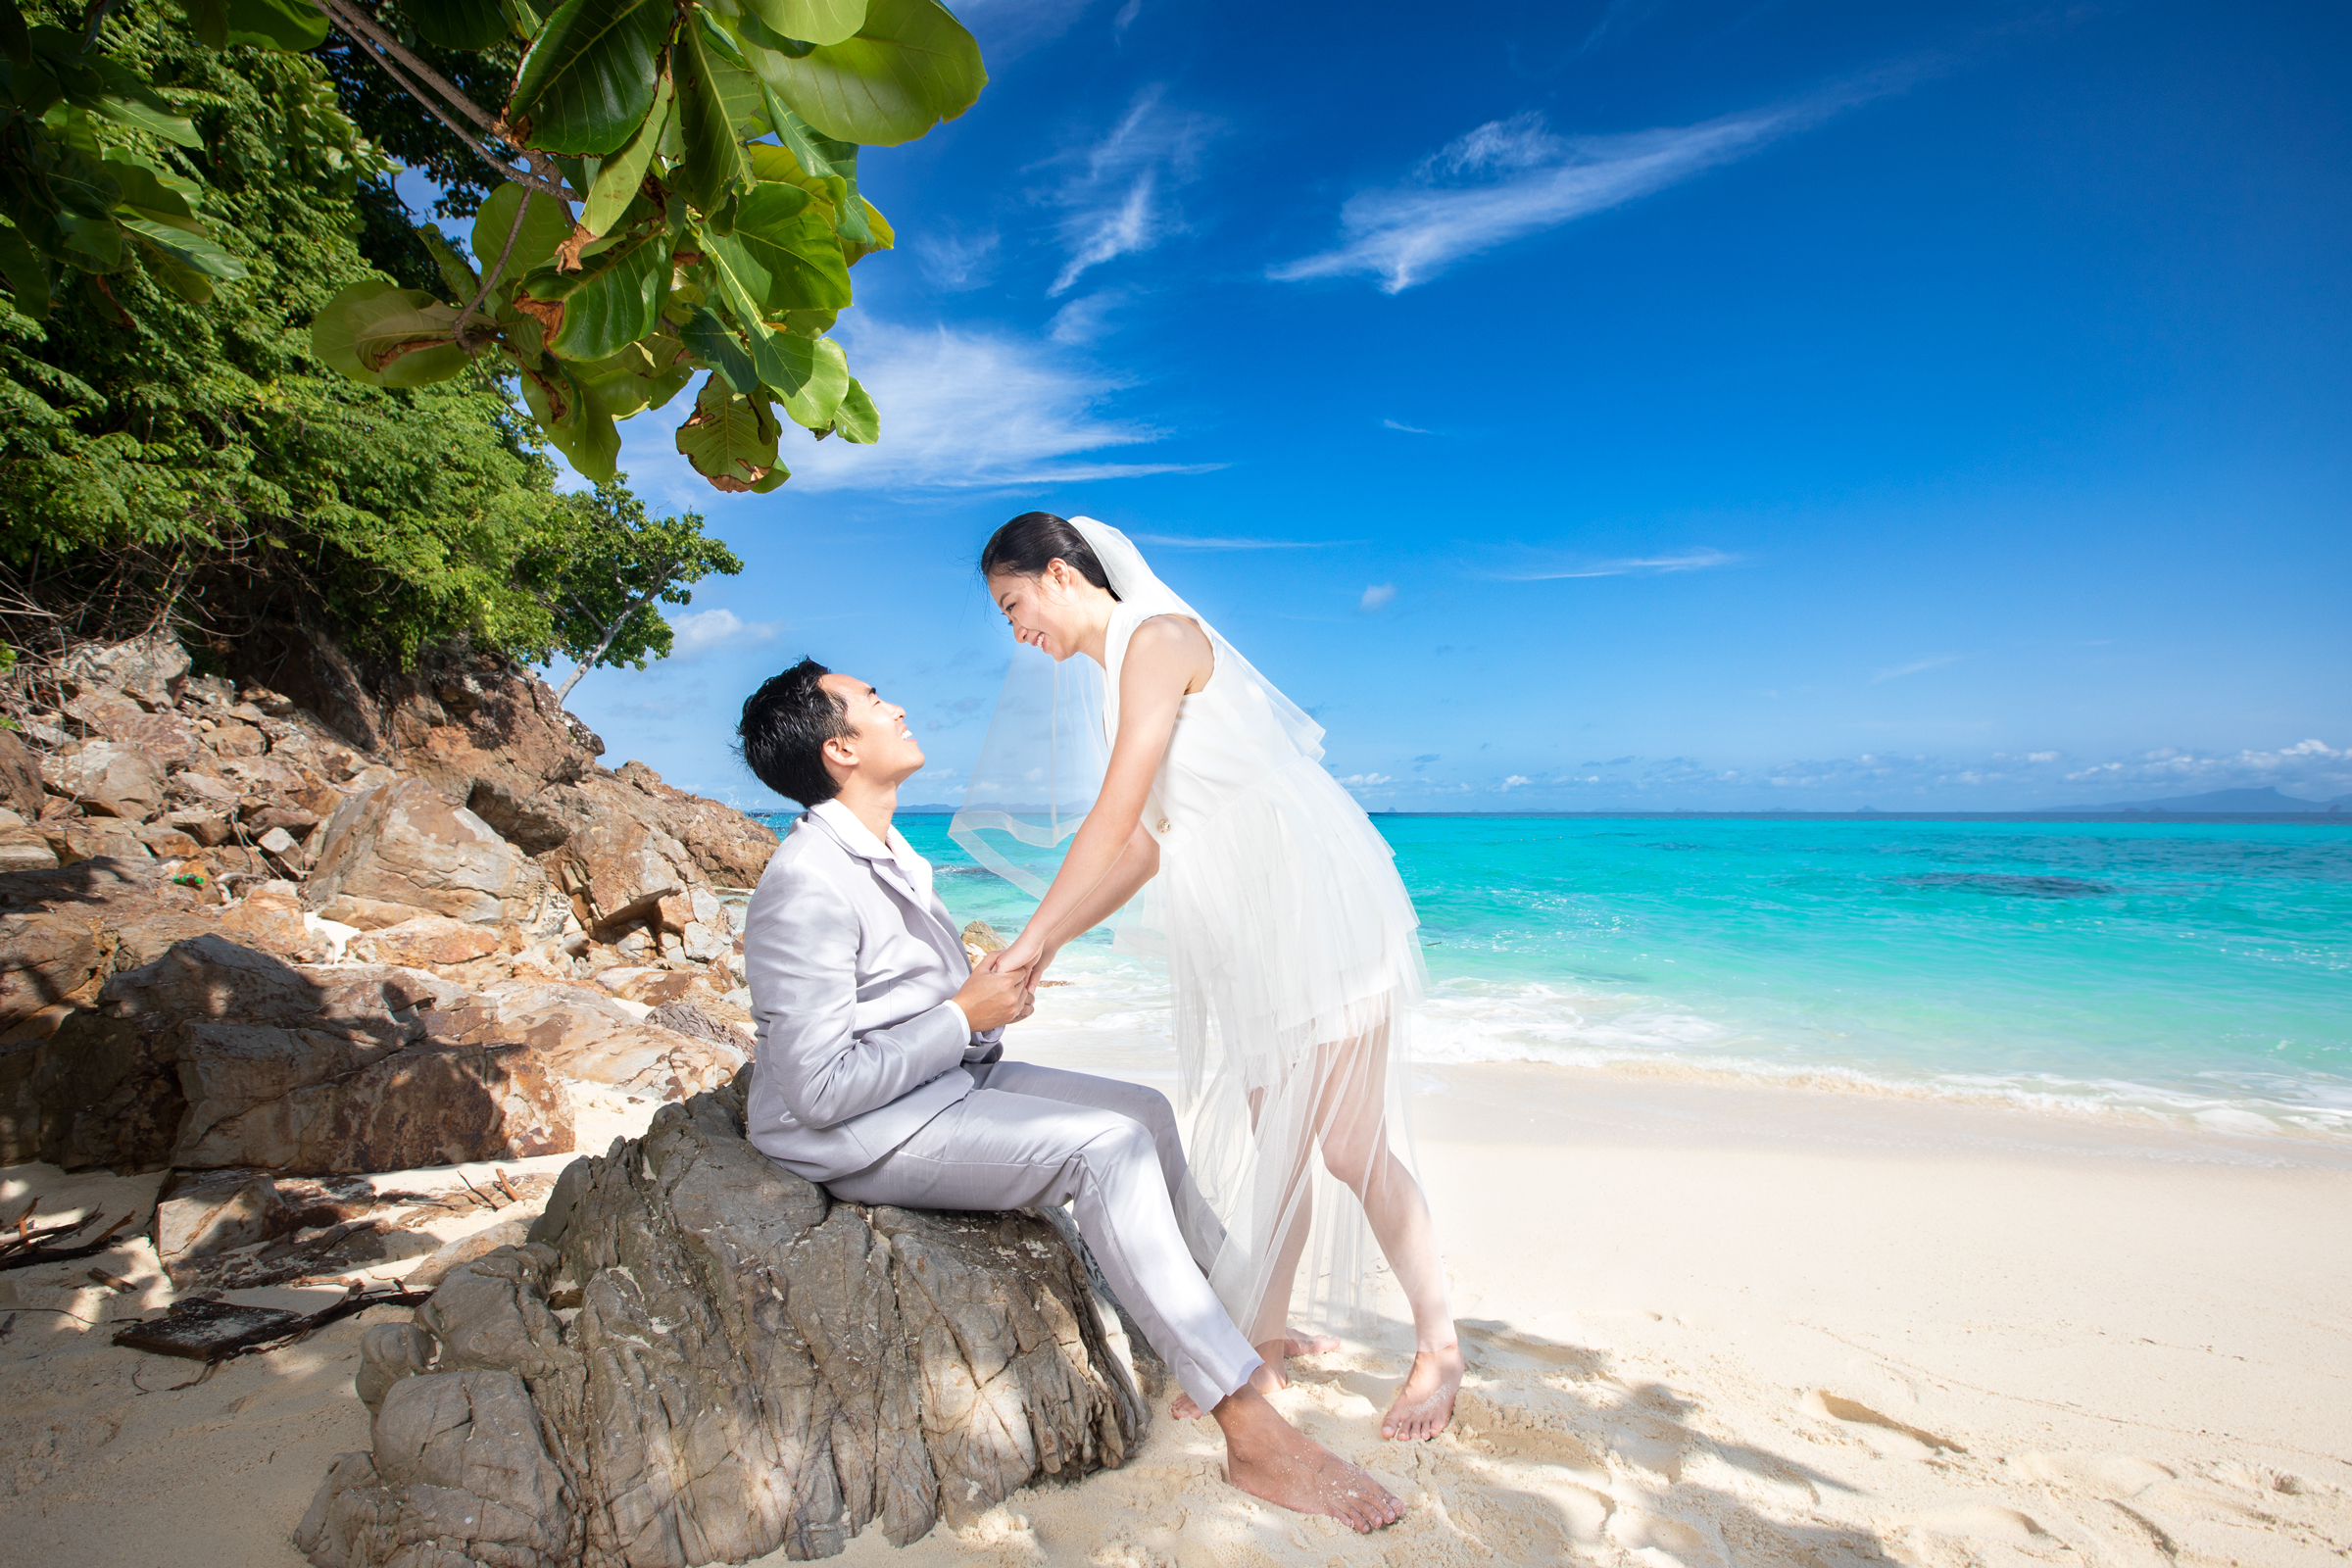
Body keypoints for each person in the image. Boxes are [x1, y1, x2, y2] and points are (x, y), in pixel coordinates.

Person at [734, 657, 1404, 1532]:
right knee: (1105, 1148)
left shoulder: (890, 852)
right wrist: (959, 1012)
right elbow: (818, 1088)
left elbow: (908, 1014)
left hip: (933, 1084)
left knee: (1145, 1113)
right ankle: (1249, 1427)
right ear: (840, 749)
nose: (895, 704)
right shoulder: (805, 881)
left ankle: (1231, 1312)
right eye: (870, 701)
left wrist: (980, 1012)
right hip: (852, 1133)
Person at [956, 514, 1463, 1443]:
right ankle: (1262, 1341)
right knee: (1280, 1142)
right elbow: (1146, 846)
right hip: (1255, 923)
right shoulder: (1119, 677)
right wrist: (1052, 946)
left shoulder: (1158, 639)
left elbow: (1115, 811)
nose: (1017, 630)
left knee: (1348, 1145)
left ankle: (1439, 1347)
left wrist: (1027, 941)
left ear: (1062, 575)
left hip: (1315, 897)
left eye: (1014, 603)